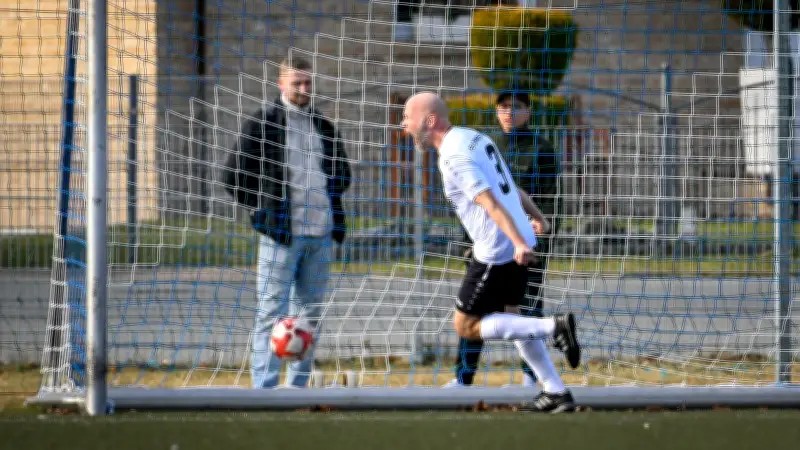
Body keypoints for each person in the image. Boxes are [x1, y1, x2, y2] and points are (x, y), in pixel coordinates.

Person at [400, 91, 579, 412]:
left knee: (466, 325)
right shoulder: (474, 138)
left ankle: (554, 327)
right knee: (513, 317)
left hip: (498, 248)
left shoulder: (453, 155)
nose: (404, 125)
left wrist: (519, 243)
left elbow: (490, 203)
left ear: (428, 121)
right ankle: (555, 390)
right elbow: (513, 188)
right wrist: (537, 219)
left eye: (407, 118)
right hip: (518, 236)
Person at [222, 56, 352, 389]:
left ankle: (296, 389)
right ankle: (263, 389)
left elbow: (343, 173)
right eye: (297, 83)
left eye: (308, 82)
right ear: (281, 84)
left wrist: (329, 198)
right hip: (282, 236)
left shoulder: (321, 124)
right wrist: (261, 211)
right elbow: (233, 175)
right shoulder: (263, 123)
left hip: (320, 236)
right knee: (271, 313)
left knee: (308, 318)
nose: (304, 89)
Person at [448, 90, 563, 388]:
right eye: (504, 107)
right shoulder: (484, 146)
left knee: (526, 306)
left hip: (524, 245)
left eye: (517, 107)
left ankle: (531, 375)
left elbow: (550, 198)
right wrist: (466, 244)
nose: (510, 112)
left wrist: (543, 236)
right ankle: (462, 378)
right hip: (488, 245)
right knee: (474, 311)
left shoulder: (541, 148)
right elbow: (474, 202)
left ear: (529, 112)